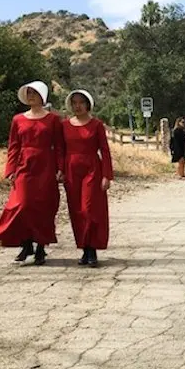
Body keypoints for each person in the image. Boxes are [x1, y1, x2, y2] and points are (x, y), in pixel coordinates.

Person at [0, 81, 64, 266]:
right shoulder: (18, 119)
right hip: (24, 165)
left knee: (43, 207)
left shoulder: (53, 120)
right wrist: (11, 170)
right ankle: (25, 243)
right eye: (29, 92)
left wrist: (60, 169)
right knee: (22, 205)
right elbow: (13, 146)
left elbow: (59, 147)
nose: (31, 95)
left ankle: (40, 246)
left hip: (46, 166)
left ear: (43, 96)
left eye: (35, 92)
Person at [61, 90, 113, 268]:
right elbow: (60, 150)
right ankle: (84, 248)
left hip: (92, 169)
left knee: (89, 209)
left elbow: (105, 151)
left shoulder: (96, 125)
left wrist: (107, 175)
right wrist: (60, 170)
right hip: (71, 170)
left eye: (81, 102)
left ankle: (92, 249)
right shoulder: (65, 125)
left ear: (88, 104)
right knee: (76, 211)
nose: (78, 106)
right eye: (74, 102)